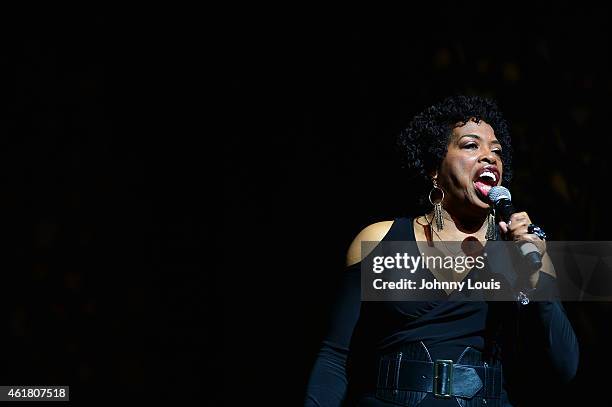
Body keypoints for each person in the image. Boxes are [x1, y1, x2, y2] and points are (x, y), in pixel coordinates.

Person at [303, 95, 579, 406]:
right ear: (435, 166)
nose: (490, 157)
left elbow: (563, 368)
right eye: (471, 146)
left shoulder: (527, 250)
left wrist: (534, 281)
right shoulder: (381, 240)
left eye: (497, 151)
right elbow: (335, 357)